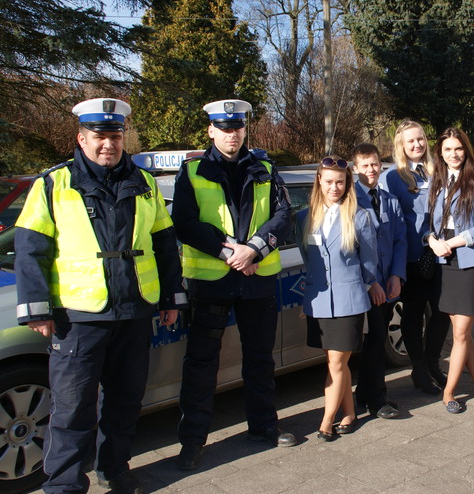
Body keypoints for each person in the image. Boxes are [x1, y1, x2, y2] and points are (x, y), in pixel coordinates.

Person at [14, 98, 187, 494]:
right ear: (81, 138)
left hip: (134, 311)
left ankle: (115, 469)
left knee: (125, 401)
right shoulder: (53, 184)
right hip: (78, 318)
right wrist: (37, 309)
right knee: (73, 409)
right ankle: (65, 485)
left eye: (115, 135)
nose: (108, 144)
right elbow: (30, 249)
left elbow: (163, 244)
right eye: (99, 136)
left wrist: (171, 299)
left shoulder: (142, 184)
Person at [173, 99, 296, 472]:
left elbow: (283, 215)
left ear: (245, 129)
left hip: (256, 279)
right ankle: (192, 442)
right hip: (212, 280)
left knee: (260, 358)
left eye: (237, 128)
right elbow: (184, 222)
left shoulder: (265, 167)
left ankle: (264, 427)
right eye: (224, 128)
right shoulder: (192, 170)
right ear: (211, 130)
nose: (232, 134)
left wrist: (254, 249)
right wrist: (228, 252)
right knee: (200, 364)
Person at [296, 156, 379, 441]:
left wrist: (364, 287)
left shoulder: (359, 216)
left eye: (340, 182)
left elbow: (370, 262)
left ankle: (326, 420)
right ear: (319, 180)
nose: (334, 187)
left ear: (348, 184)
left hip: (349, 300)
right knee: (336, 363)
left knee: (335, 363)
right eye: (329, 181)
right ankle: (350, 413)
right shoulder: (304, 217)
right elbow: (309, 259)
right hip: (319, 301)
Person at [426, 128, 474, 413]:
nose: (453, 154)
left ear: (466, 149)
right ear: (440, 154)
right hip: (445, 263)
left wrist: (452, 242)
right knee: (460, 332)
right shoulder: (436, 181)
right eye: (447, 150)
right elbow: (426, 223)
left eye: (458, 149)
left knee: (461, 332)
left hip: (469, 259)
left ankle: (448, 392)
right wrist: (431, 241)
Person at [380, 120, 450, 394]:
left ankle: (432, 363)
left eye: (420, 139)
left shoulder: (437, 171)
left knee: (442, 311)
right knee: (413, 313)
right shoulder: (392, 177)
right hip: (412, 256)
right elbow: (391, 222)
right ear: (401, 145)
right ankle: (419, 369)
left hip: (442, 253)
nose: (417, 145)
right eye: (410, 141)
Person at [351, 143, 407, 419]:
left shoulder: (390, 200)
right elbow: (351, 246)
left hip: (388, 283)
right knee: (373, 340)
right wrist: (370, 281)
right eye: (365, 166)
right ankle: (376, 398)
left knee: (378, 337)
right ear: (355, 168)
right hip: (365, 284)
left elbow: (399, 240)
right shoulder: (349, 200)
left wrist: (397, 275)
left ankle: (364, 392)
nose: (371, 170)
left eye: (375, 164)